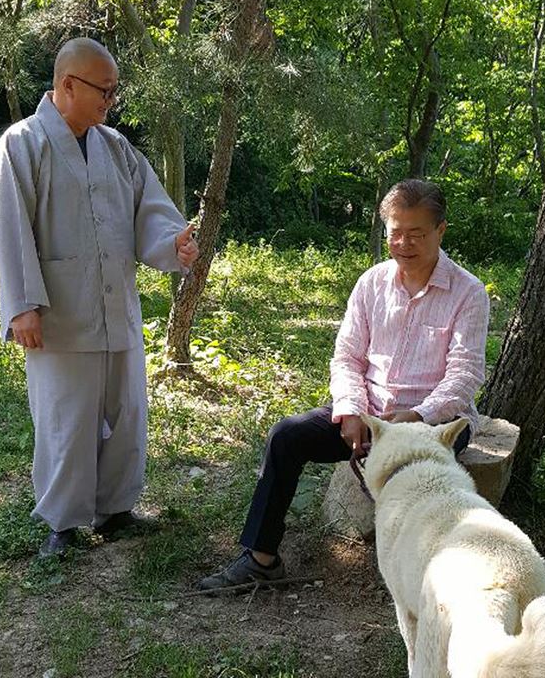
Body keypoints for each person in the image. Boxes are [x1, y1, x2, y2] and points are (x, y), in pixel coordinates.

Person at [199, 179, 489, 590]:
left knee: (415, 470)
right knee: (286, 436)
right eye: (395, 233)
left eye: (417, 234)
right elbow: (347, 356)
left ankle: (429, 578)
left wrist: (414, 417)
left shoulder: (468, 293)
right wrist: (351, 410)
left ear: (441, 230)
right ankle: (261, 559)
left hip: (430, 423)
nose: (404, 244)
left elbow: (464, 376)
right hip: (366, 412)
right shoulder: (371, 283)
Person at [0, 38, 199, 558]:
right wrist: (21, 306)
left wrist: (172, 240)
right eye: (103, 90)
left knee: (127, 410)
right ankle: (62, 521)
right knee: (67, 418)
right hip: (57, 313)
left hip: (114, 305)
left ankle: (117, 507)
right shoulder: (22, 144)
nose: (109, 99)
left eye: (112, 90)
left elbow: (147, 208)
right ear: (67, 85)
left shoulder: (116, 147)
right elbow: (10, 230)